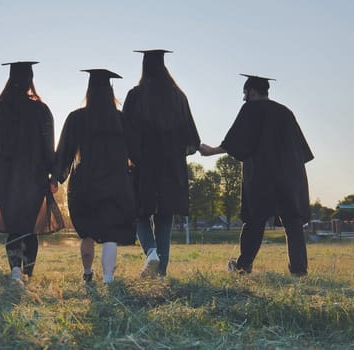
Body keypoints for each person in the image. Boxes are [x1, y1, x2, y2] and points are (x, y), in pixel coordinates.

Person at [199, 74, 313, 276]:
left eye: (245, 94)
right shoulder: (286, 112)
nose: (244, 98)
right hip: (291, 176)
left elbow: (239, 141)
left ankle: (243, 266)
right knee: (293, 222)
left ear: (251, 92)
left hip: (262, 175)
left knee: (255, 219)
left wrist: (212, 151)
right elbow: (302, 151)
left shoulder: (251, 109)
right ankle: (299, 270)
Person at [0, 61, 63, 285]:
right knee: (29, 228)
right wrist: (53, 174)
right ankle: (27, 273)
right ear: (31, 80)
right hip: (33, 176)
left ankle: (15, 271)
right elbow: (49, 146)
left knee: (13, 226)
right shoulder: (41, 110)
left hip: (2, 178)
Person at [52, 69, 135, 284]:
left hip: (85, 183)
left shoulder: (76, 118)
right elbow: (136, 153)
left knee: (87, 233)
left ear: (88, 91)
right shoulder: (121, 119)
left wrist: (55, 178)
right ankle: (108, 279)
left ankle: (88, 274)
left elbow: (64, 151)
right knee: (110, 234)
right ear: (110, 91)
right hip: (115, 183)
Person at [123, 50, 201, 277]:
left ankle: (151, 253)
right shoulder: (179, 97)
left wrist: (132, 157)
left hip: (143, 164)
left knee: (139, 213)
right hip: (171, 166)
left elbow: (126, 131)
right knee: (165, 217)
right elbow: (191, 138)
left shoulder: (136, 95)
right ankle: (161, 273)